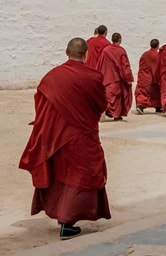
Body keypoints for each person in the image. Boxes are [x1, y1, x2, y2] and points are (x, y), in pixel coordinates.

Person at [19, 37, 111, 240]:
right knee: (81, 175)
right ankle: (67, 222)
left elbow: (41, 105)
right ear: (86, 55)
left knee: (62, 173)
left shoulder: (51, 77)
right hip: (82, 136)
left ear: (66, 52)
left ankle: (62, 215)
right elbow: (101, 105)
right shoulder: (93, 77)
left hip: (57, 136)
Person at [98, 32, 134, 120]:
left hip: (106, 78)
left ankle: (108, 111)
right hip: (116, 78)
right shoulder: (121, 51)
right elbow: (125, 65)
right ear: (120, 40)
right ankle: (114, 114)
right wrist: (129, 77)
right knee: (116, 98)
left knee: (109, 96)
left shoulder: (105, 50)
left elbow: (100, 64)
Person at [135, 39, 162, 114]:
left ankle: (141, 105)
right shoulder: (156, 55)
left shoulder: (144, 54)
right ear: (158, 46)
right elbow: (157, 68)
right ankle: (157, 106)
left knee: (142, 93)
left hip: (143, 77)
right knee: (156, 92)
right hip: (151, 78)